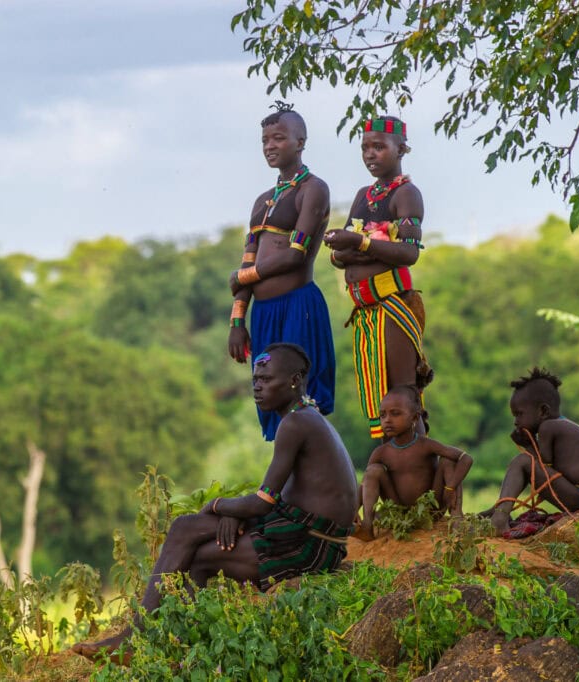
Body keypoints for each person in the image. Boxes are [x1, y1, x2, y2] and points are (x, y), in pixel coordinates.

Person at [73, 343, 358, 664]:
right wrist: (236, 514)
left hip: (311, 545)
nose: (257, 387)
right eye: (255, 380)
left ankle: (142, 639)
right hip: (295, 528)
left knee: (193, 545)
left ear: (294, 381)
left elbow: (263, 501)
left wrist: (219, 506)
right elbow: (278, 498)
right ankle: (172, 647)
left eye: (266, 379)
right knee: (189, 535)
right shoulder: (307, 418)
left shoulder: (296, 424)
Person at [228, 101, 336, 441]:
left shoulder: (313, 189)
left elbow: (296, 255)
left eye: (278, 138)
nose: (269, 147)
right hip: (264, 313)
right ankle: (285, 487)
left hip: (297, 306)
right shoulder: (263, 200)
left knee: (300, 396)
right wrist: (237, 321)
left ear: (300, 142)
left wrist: (243, 278)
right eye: (264, 141)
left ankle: (312, 480)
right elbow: (249, 260)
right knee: (269, 394)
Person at [324, 115, 432, 440]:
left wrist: (359, 243)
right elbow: (337, 256)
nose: (370, 154)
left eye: (379, 147)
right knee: (384, 407)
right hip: (366, 312)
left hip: (393, 306)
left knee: (403, 397)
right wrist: (365, 246)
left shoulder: (406, 195)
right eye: (365, 148)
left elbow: (409, 253)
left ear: (401, 150)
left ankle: (424, 479)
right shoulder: (363, 195)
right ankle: (394, 478)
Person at [487, 367, 579, 535]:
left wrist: (528, 446)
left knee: (522, 461)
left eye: (519, 414)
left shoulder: (548, 427)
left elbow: (540, 465)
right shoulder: (561, 425)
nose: (516, 422)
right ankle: (499, 509)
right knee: (524, 463)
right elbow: (544, 471)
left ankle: (500, 517)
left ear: (543, 411)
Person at [355, 385, 473, 541]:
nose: (387, 420)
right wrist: (353, 509)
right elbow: (365, 484)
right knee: (373, 471)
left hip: (432, 510)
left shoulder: (426, 445)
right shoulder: (381, 452)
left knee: (448, 459)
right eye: (382, 415)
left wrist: (450, 487)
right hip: (399, 513)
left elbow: (466, 458)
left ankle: (457, 517)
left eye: (395, 414)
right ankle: (367, 526)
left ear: (415, 418)